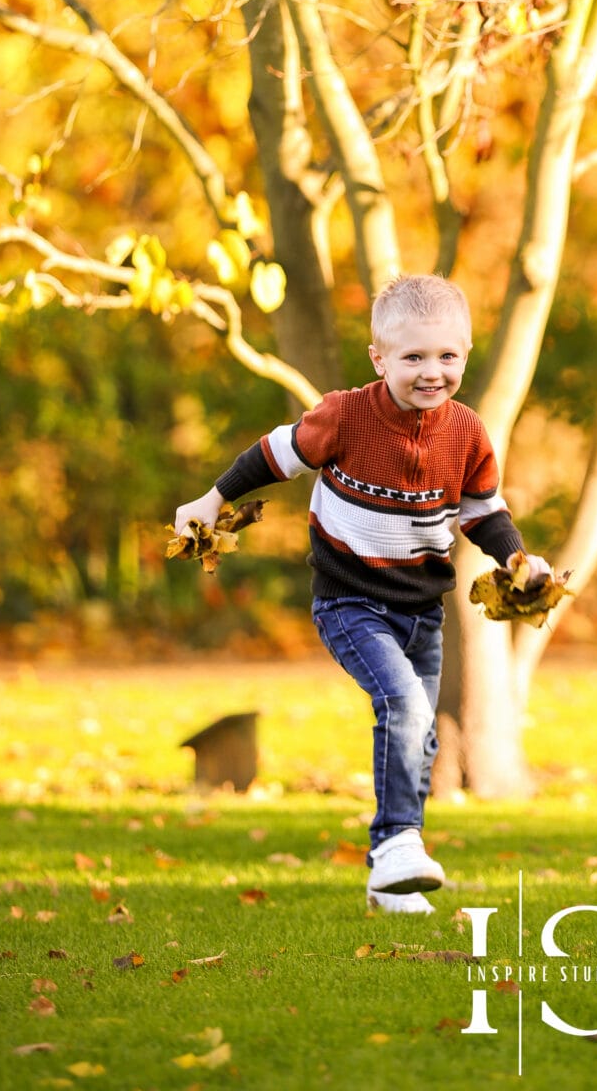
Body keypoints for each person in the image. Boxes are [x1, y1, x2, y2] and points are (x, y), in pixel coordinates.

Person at [173, 273, 553, 916]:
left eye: (447, 356)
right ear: (380, 359)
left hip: (421, 611)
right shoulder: (344, 416)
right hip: (350, 600)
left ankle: (387, 877)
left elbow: (482, 512)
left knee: (420, 733)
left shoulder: (466, 433)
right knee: (402, 704)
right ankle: (400, 843)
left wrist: (517, 558)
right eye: (413, 357)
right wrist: (211, 500)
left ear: (464, 351)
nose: (432, 372)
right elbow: (274, 455)